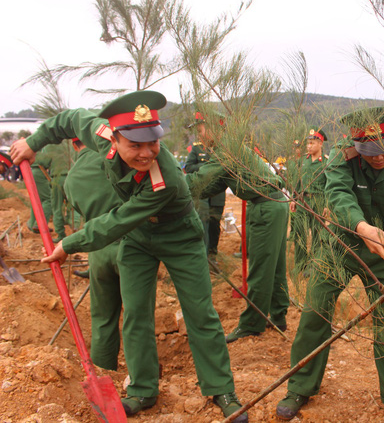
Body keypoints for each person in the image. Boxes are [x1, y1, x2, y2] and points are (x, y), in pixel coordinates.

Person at [9, 91, 247, 422]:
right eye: (135, 145)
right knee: (136, 312)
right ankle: (142, 390)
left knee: (200, 312)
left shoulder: (163, 181)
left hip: (179, 238)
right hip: (138, 238)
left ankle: (221, 388)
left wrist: (69, 243)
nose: (147, 152)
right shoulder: (101, 134)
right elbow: (70, 118)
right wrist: (34, 143)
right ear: (115, 138)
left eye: (153, 143)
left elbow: (116, 221)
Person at [276, 107, 384, 423]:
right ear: (357, 144)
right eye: (369, 151)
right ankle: (299, 386)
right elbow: (338, 196)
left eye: (383, 149)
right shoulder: (343, 158)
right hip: (342, 242)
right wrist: (362, 228)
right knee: (315, 310)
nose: (377, 157)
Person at [186, 135, 289, 342]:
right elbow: (212, 186)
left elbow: (199, 181)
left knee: (260, 269)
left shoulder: (226, 152)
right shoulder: (231, 147)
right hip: (273, 203)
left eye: (202, 128)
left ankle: (252, 324)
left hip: (265, 207)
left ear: (216, 129)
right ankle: (278, 315)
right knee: (275, 265)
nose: (199, 134)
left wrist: (170, 184)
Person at [62, 137, 123, 369]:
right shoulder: (117, 159)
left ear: (74, 145)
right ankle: (142, 384)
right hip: (131, 246)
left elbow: (79, 212)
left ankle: (104, 372)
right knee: (138, 318)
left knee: (103, 318)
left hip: (97, 250)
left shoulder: (72, 178)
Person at [184, 112, 227, 258]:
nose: (199, 135)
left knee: (215, 225)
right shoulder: (197, 148)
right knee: (202, 223)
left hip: (217, 194)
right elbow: (189, 167)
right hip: (202, 194)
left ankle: (212, 254)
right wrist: (207, 169)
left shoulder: (223, 149)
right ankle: (203, 254)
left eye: (200, 130)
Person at [289, 128, 328, 275]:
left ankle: (314, 265)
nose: (309, 146)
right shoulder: (302, 161)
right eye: (308, 143)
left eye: (312, 143)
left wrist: (327, 205)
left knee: (318, 234)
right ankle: (300, 264)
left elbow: (329, 184)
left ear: (320, 144)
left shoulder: (325, 162)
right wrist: (294, 198)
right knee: (299, 232)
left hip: (318, 200)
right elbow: (298, 181)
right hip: (302, 200)